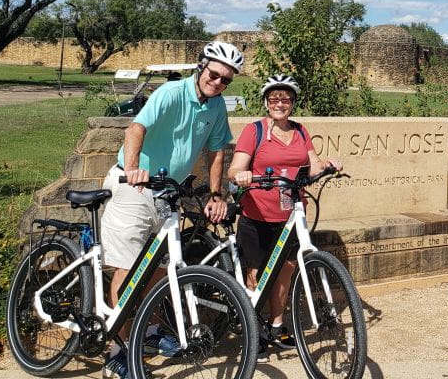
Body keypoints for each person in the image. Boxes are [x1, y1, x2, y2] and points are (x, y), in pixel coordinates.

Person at [98, 41, 243, 379]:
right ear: (201, 66)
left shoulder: (217, 106)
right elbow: (136, 128)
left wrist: (217, 194)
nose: (219, 82)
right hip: (134, 185)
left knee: (163, 268)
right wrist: (133, 168)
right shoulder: (171, 93)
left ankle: (145, 334)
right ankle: (118, 351)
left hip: (167, 192)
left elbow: (217, 151)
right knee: (128, 267)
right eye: (215, 74)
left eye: (226, 79)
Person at [228, 74, 341, 357]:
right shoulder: (254, 131)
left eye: (286, 99)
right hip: (257, 213)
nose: (280, 103)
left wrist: (327, 164)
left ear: (292, 103)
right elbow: (235, 168)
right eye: (275, 98)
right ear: (266, 102)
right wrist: (241, 175)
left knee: (286, 271)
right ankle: (254, 330)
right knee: (256, 272)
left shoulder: (301, 131)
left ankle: (277, 324)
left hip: (291, 213)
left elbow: (312, 164)